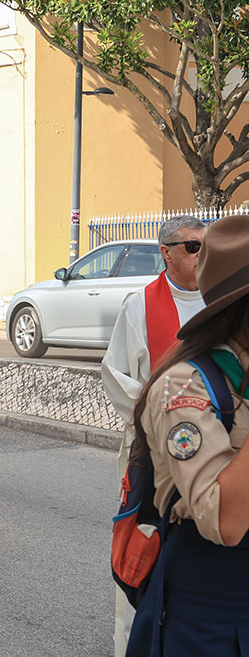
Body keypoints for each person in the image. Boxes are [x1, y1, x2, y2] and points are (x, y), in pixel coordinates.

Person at [127, 215, 249, 655]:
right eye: (187, 246)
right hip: (211, 605)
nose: (191, 254)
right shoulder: (185, 387)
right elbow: (226, 522)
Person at [101, 214, 205, 656]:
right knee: (142, 547)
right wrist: (158, 410)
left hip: (211, 453)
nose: (202, 256)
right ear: (166, 253)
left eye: (206, 247)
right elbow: (114, 372)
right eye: (192, 247)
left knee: (201, 551)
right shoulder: (140, 305)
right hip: (152, 450)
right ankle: (134, 642)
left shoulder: (224, 299)